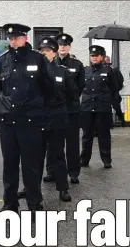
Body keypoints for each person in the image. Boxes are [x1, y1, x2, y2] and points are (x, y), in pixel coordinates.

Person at [0, 23, 51, 216]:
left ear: (25, 38)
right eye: (10, 38)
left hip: (30, 122)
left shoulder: (37, 59)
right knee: (9, 164)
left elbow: (49, 88)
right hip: (8, 123)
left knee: (31, 166)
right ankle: (10, 204)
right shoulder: (2, 61)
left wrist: (41, 114)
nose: (12, 41)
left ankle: (34, 204)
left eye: (16, 37)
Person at [44, 33, 84, 185]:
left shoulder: (76, 64)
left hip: (71, 110)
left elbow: (79, 87)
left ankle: (73, 172)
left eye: (65, 45)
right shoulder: (47, 65)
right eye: (60, 45)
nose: (63, 47)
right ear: (56, 48)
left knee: (72, 142)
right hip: (53, 110)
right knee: (52, 143)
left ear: (69, 47)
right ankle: (51, 171)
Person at [38, 37, 72, 202]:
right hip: (39, 118)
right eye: (42, 50)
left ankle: (63, 188)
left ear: (54, 52)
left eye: (48, 50)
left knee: (58, 155)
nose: (45, 53)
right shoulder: (35, 71)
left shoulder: (61, 71)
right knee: (36, 156)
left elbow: (72, 94)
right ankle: (32, 187)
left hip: (57, 118)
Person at [80, 45, 117, 169]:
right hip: (87, 107)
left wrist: (110, 102)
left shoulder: (108, 71)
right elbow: (79, 87)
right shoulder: (85, 70)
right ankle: (84, 159)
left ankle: (106, 159)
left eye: (96, 56)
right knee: (86, 135)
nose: (94, 57)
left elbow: (114, 88)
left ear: (102, 57)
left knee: (104, 134)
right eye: (92, 56)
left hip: (102, 107)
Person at [104, 56, 126, 127]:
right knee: (107, 108)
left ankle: (122, 121)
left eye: (108, 60)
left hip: (114, 91)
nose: (107, 61)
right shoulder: (103, 69)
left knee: (117, 107)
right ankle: (110, 123)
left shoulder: (115, 69)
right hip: (106, 92)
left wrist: (118, 88)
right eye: (106, 60)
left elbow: (120, 79)